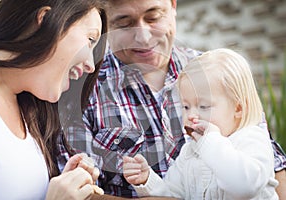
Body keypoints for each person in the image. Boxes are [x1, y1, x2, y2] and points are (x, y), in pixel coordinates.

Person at [60, 0, 286, 198]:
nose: (143, 36)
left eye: (153, 16)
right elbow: (83, 193)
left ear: (173, 6)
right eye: (124, 23)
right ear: (106, 23)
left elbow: (273, 168)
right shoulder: (83, 90)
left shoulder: (217, 73)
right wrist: (147, 180)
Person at [0, 0, 107, 199]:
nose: (90, 66)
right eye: (90, 39)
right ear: (45, 19)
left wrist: (63, 187)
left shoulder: (27, 109)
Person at [123, 48, 279, 199]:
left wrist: (212, 141)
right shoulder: (190, 151)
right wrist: (148, 180)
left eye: (204, 106)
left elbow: (244, 187)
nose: (191, 115)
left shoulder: (252, 139)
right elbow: (172, 195)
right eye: (186, 106)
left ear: (238, 108)